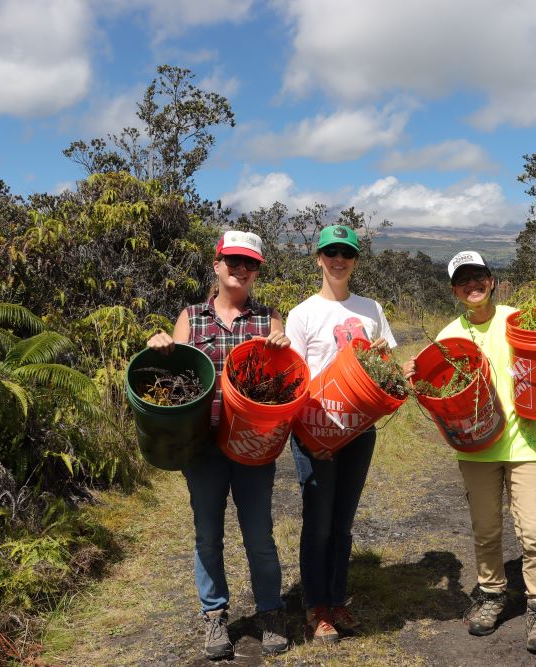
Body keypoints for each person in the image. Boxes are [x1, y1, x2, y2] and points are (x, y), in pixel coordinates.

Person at [402, 250, 536, 656]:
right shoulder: (449, 335)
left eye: (479, 277)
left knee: (535, 530)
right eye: (463, 280)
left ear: (492, 280)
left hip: (526, 440)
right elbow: (437, 387)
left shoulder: (518, 319)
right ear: (454, 289)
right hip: (477, 448)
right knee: (486, 530)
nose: (473, 285)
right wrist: (412, 374)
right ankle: (492, 594)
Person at [146, 230, 291, 660]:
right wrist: (161, 347)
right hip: (204, 447)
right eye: (233, 261)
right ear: (217, 265)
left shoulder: (269, 319)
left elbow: (285, 378)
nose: (241, 270)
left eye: (250, 264)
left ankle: (270, 612)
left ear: (257, 271)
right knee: (208, 535)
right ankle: (214, 616)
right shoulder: (191, 317)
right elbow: (174, 380)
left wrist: (282, 345)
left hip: (253, 446)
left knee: (259, 535)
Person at [284, 224, 396, 644]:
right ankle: (316, 606)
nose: (338, 259)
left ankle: (337, 597)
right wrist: (312, 436)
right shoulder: (303, 314)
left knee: (343, 523)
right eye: (330, 252)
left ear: (355, 261)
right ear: (318, 258)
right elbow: (292, 380)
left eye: (346, 253)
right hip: (316, 431)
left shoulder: (371, 309)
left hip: (359, 432)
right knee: (319, 523)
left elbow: (385, 362)